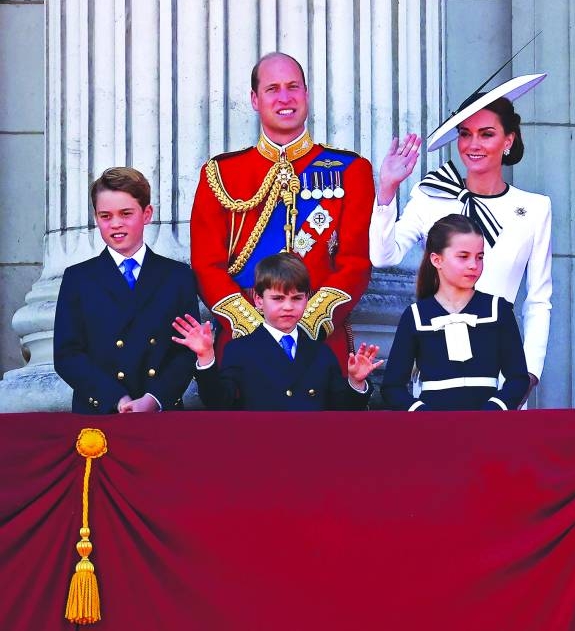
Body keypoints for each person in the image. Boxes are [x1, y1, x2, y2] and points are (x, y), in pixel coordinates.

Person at [370, 73, 551, 403]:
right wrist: (387, 191)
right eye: (465, 134)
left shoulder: (535, 208)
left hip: (502, 364)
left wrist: (529, 374)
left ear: (508, 140)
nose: (473, 145)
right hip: (437, 366)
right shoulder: (431, 195)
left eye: (487, 134)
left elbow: (538, 299)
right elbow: (384, 257)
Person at [189, 52, 374, 370]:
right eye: (272, 89)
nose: (285, 97)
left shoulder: (351, 170)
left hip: (320, 343)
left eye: (293, 87)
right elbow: (207, 266)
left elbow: (355, 264)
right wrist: (254, 329)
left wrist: (305, 326)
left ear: (306, 94)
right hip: (242, 342)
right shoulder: (220, 174)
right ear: (254, 99)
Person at [54, 167, 199, 414]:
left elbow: (186, 351)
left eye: (126, 213)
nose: (116, 224)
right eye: (105, 216)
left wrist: (154, 399)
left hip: (161, 414)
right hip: (101, 413)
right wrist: (116, 399)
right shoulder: (78, 278)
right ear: (96, 218)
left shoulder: (178, 276)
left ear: (147, 214)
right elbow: (67, 355)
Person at [172, 253, 380, 411]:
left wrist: (356, 382)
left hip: (311, 452)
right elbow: (218, 403)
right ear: (259, 300)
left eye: (297, 298)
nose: (288, 307)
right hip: (261, 452)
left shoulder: (320, 352)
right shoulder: (241, 349)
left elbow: (343, 412)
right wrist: (206, 358)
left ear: (307, 299)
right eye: (278, 299)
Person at [381, 214, 530, 411]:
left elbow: (518, 378)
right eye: (463, 256)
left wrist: (494, 409)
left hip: (488, 429)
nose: (473, 265)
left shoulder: (498, 309)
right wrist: (423, 413)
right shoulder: (416, 315)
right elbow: (392, 387)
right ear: (437, 260)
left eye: (480, 257)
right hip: (434, 431)